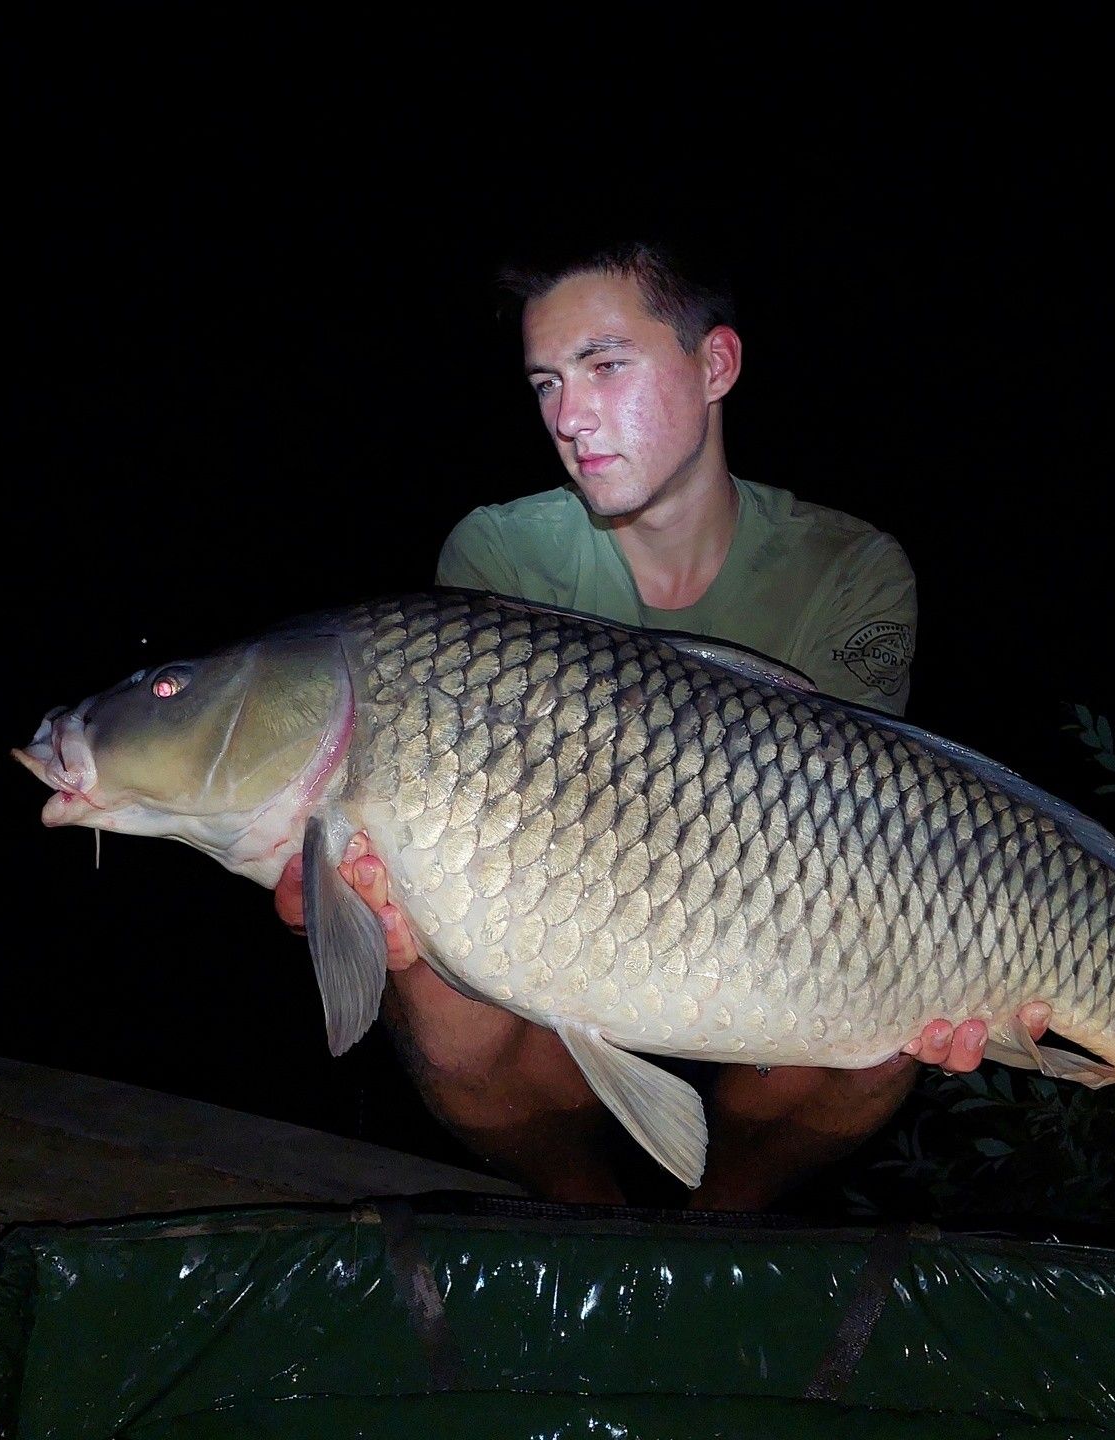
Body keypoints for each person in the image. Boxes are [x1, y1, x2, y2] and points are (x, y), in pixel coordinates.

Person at [276, 239, 1046, 1208]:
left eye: (605, 366)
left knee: (896, 1018)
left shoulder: (850, 570)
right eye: (547, 381)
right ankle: (589, 1216)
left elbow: (863, 833)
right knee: (428, 975)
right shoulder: (498, 553)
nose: (567, 416)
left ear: (714, 365)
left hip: (769, 936)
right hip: (558, 927)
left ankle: (722, 1224)